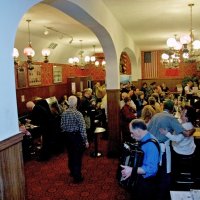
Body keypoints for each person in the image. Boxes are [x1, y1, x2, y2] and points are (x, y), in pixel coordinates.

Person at [147, 100, 195, 200]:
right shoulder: (172, 118)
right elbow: (185, 133)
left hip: (151, 146)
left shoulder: (155, 115)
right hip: (169, 149)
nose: (181, 113)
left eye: (183, 112)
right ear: (172, 109)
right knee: (166, 170)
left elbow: (148, 129)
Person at [121, 119, 160, 200]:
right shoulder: (146, 138)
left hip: (147, 183)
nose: (131, 135)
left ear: (138, 131)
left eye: (132, 132)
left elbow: (152, 169)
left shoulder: (150, 145)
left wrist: (132, 170)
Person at [159, 105, 196, 182]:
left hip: (182, 151)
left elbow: (177, 139)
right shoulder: (187, 123)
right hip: (190, 149)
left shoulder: (186, 126)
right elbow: (178, 121)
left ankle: (171, 174)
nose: (181, 113)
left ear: (187, 117)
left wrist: (166, 133)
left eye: (183, 112)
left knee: (167, 149)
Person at [60, 95, 89, 183]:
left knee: (70, 154)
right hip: (76, 137)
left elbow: (62, 126)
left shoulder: (64, 113)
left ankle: (72, 171)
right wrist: (86, 141)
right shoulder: (78, 114)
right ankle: (77, 177)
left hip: (67, 137)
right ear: (76, 103)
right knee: (77, 157)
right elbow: (82, 129)